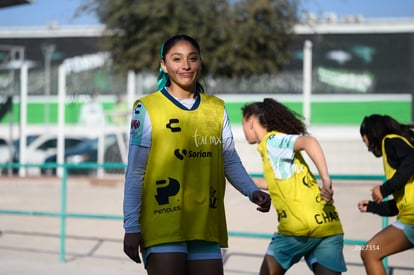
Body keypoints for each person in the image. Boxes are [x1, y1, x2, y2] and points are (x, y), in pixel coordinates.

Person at [122, 34, 271, 275]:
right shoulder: (146, 108)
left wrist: (252, 191)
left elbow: (229, 159)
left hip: (205, 224)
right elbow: (136, 171)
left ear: (200, 62)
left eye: (193, 58)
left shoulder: (216, 108)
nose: (185, 66)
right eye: (176, 59)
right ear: (163, 65)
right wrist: (131, 226)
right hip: (162, 224)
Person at [241, 98, 347, 275]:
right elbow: (277, 183)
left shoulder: (272, 141)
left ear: (251, 121)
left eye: (243, 123)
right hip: (328, 226)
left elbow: (309, 141)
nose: (243, 129)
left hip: (296, 231)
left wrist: (326, 179)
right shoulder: (274, 151)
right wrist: (242, 179)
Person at [357, 114, 414, 275]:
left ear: (370, 134)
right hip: (408, 216)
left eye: (364, 141)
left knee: (370, 251)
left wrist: (384, 189)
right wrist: (372, 207)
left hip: (412, 218)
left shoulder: (389, 140)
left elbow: (412, 160)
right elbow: (398, 206)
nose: (367, 147)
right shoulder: (397, 146)